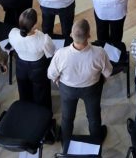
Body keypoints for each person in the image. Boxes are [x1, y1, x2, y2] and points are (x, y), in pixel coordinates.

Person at [48, 19, 112, 149]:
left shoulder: (61, 54)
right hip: (92, 89)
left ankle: (66, 143)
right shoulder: (99, 52)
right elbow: (108, 72)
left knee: (67, 117)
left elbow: (51, 74)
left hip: (67, 90)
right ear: (89, 35)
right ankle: (96, 142)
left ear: (71, 34)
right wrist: (101, 81)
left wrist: (58, 81)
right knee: (94, 117)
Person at [9, 8, 56, 113]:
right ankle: (43, 113)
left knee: (24, 91)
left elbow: (13, 46)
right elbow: (50, 52)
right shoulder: (43, 38)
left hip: (21, 66)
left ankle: (27, 111)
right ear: (34, 25)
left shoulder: (12, 33)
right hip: (38, 68)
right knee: (42, 92)